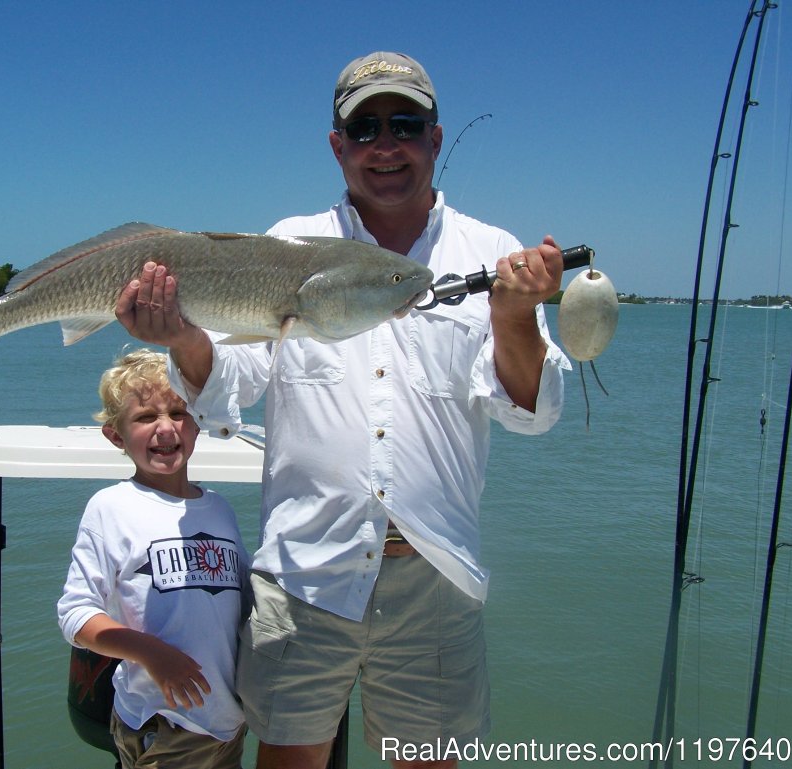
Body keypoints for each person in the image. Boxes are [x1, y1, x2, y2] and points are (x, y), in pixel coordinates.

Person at [115, 52, 569, 769]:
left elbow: (531, 412)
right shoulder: (287, 242)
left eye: (405, 124)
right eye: (364, 128)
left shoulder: (492, 253)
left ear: (436, 138)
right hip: (304, 570)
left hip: (435, 577)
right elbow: (231, 377)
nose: (385, 145)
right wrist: (183, 337)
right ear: (338, 146)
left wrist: (514, 317)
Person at [57, 349, 249, 769]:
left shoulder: (220, 509)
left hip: (228, 724)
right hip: (163, 726)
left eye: (179, 412)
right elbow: (75, 615)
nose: (166, 428)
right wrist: (151, 652)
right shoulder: (111, 507)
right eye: (145, 417)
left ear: (198, 423)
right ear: (116, 436)